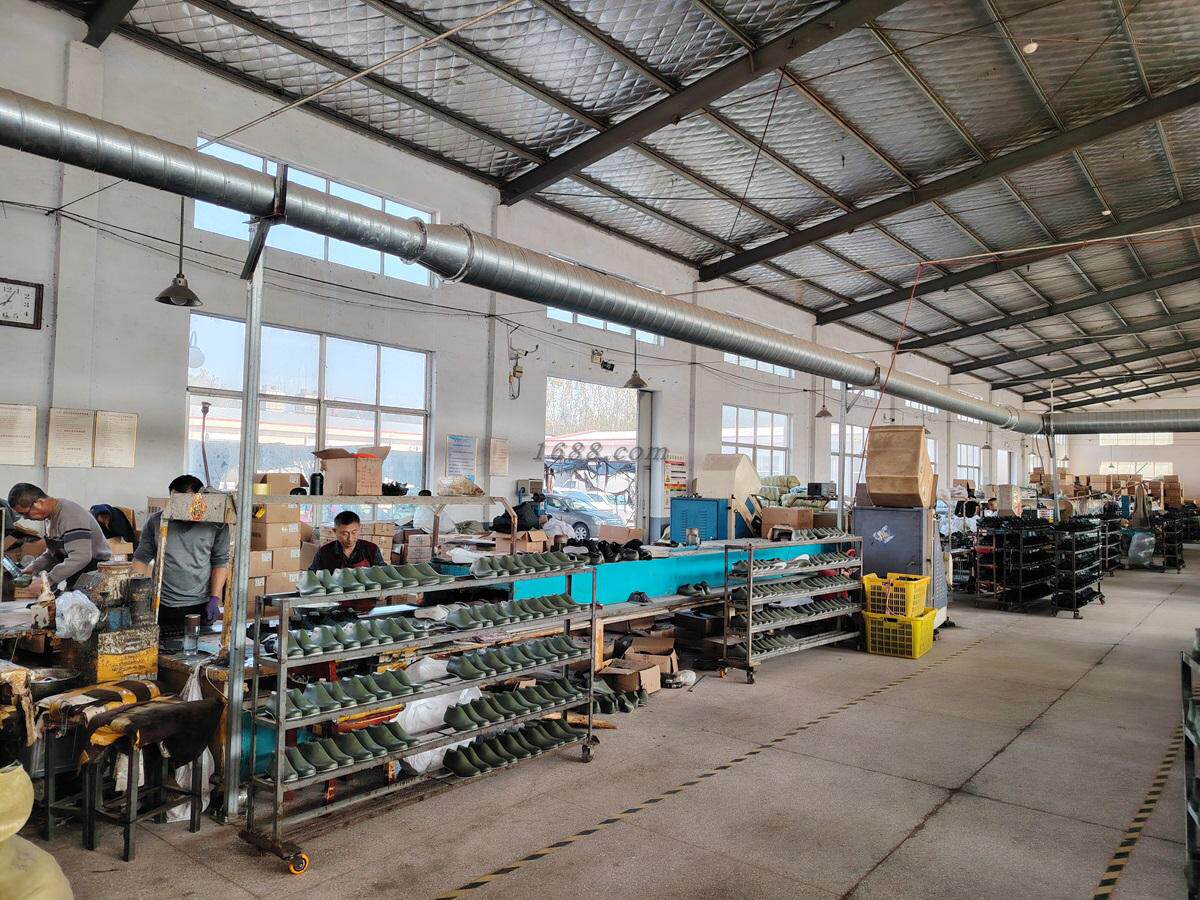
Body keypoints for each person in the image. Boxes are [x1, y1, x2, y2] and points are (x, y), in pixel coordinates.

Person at [133, 475, 230, 634]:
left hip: (200, 605)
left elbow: (220, 562)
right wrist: (137, 597)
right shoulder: (157, 521)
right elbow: (141, 559)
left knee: (197, 647)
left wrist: (214, 598)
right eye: (174, 501)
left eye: (184, 502)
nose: (178, 507)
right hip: (162, 603)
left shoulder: (216, 524)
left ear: (198, 500)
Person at [7, 483, 112, 589]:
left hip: (93, 573)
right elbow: (52, 553)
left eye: (26, 513)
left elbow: (81, 557)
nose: (25, 518)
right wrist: (34, 567)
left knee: (76, 599)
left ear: (39, 503)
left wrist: (48, 580)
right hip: (77, 570)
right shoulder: (50, 517)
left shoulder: (70, 515)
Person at [308, 510, 385, 572]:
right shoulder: (324, 552)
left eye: (354, 532)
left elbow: (383, 573)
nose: (350, 538)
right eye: (345, 534)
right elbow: (312, 575)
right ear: (335, 531)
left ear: (359, 529)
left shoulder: (371, 549)